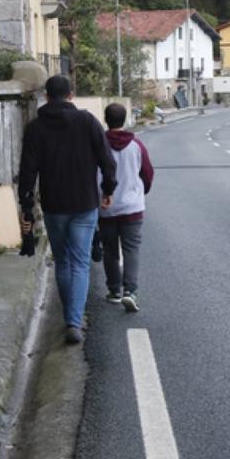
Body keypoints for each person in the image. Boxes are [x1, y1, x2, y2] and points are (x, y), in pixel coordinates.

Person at [18, 76, 116, 344]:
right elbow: (107, 160)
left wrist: (26, 204)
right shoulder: (88, 122)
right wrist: (108, 189)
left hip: (54, 205)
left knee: (63, 261)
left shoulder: (35, 128)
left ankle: (69, 318)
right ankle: (74, 320)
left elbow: (27, 171)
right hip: (84, 203)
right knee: (80, 262)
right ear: (71, 95)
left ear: (47, 97)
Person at [98, 102, 154, 312]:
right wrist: (140, 191)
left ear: (106, 119)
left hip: (106, 207)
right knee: (131, 249)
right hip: (132, 207)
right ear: (125, 119)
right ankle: (130, 291)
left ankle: (114, 290)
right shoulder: (137, 145)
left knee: (110, 251)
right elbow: (147, 174)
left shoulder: (99, 145)